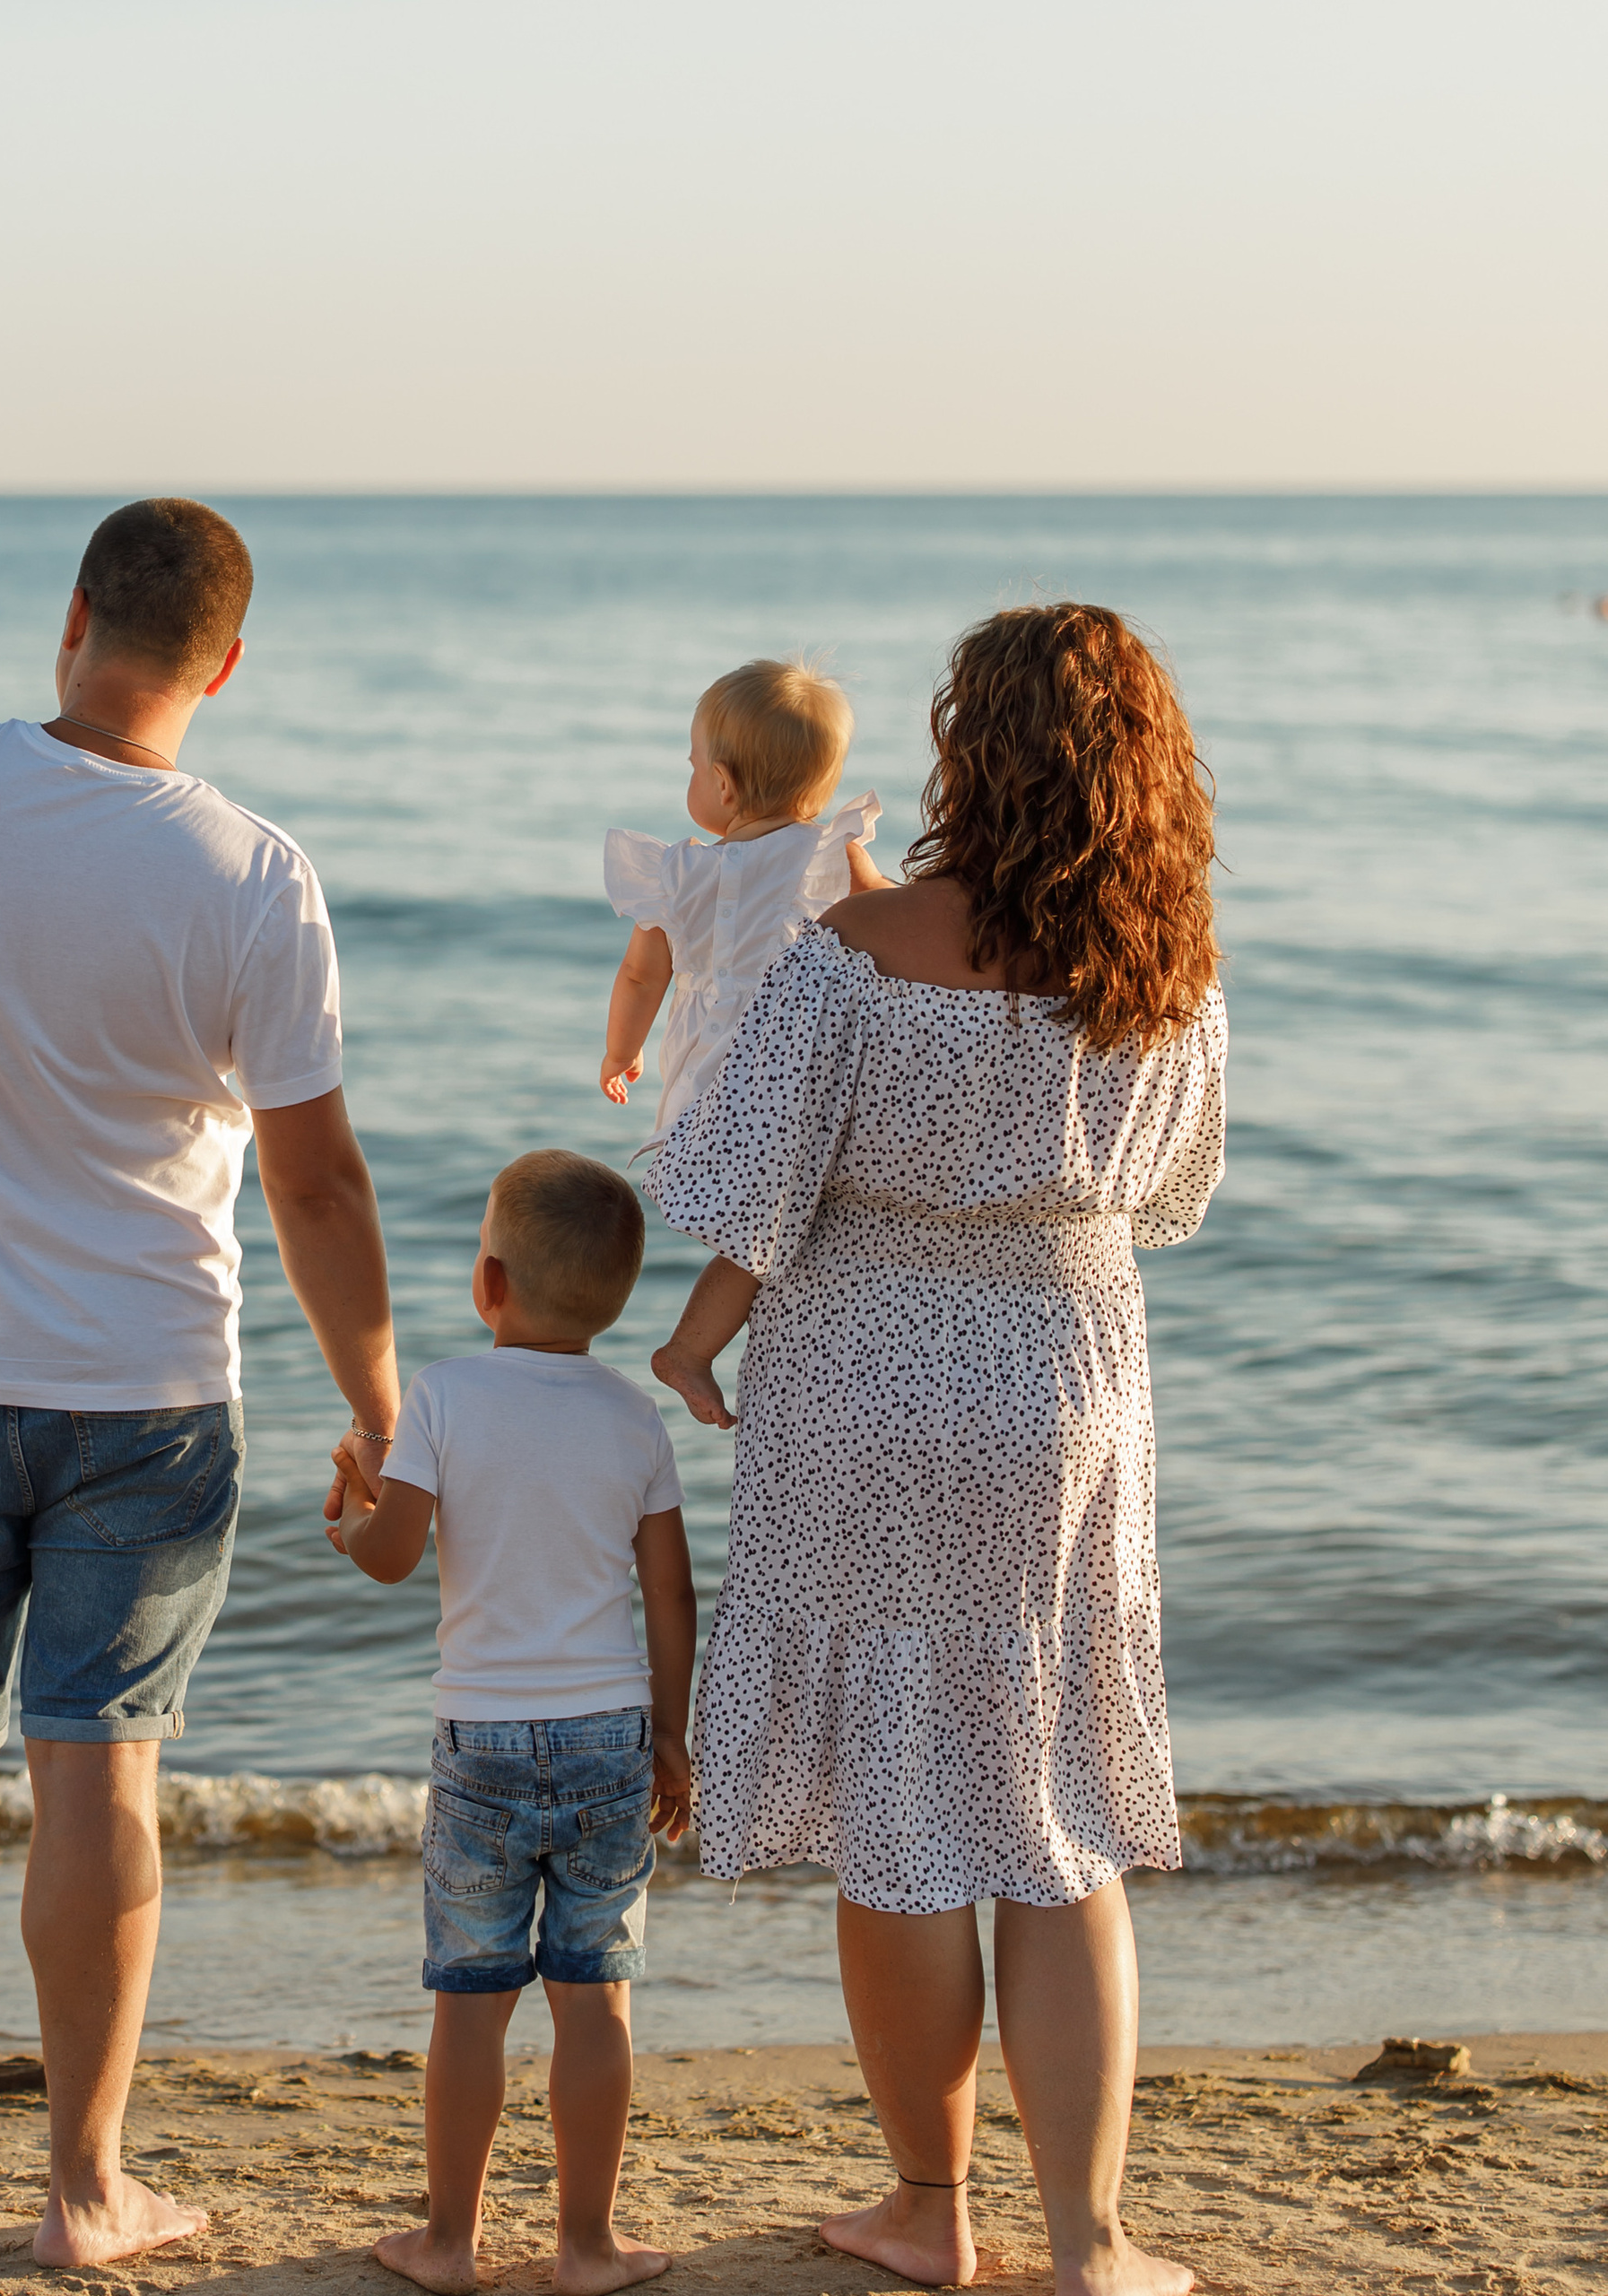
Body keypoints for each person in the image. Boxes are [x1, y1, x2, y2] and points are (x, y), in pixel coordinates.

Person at [0, 499, 403, 2268]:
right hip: (147, 1388)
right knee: (99, 1775)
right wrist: (377, 1397)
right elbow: (316, 1181)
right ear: (225, 661)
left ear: (70, 621)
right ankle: (80, 2189)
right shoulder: (252, 870)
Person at [646, 604, 1226, 2296]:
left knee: (905, 1806)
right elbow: (1170, 1193)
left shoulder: (856, 943)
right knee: (1053, 1815)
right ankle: (1091, 2240)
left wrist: (690, 1342)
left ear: (971, 750)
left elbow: (758, 1189)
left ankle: (927, 2206)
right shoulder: (1165, 968)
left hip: (868, 1384)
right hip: (1068, 1376)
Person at [326, 1150, 697, 2296]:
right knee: (596, 1996)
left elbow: (391, 1559)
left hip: (479, 1744)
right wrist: (673, 1738)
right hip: (608, 1740)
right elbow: (672, 1595)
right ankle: (586, 2246)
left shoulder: (439, 1396)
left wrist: (352, 1503)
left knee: (471, 2004)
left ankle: (447, 2242)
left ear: (488, 1281)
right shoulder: (635, 1419)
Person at [600, 657, 879, 1145]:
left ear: (723, 785)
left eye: (693, 765)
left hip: (706, 1094)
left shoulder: (678, 877)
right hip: (807, 1083)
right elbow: (890, 920)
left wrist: (621, 1053)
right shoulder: (833, 857)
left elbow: (641, 976)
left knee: (713, 1206)